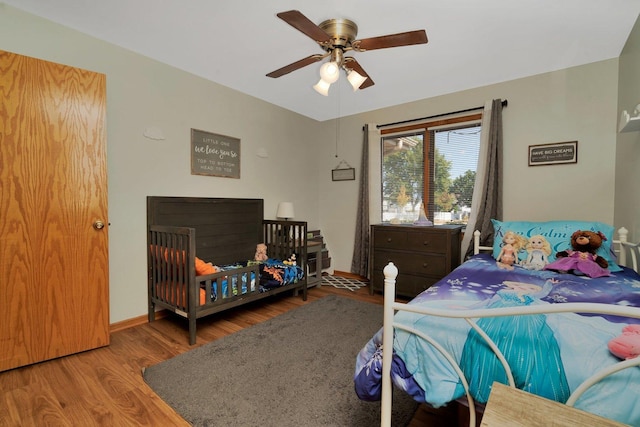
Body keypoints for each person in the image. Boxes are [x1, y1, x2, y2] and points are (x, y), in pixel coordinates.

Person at [458, 279, 570, 403]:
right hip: (497, 318)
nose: (523, 289)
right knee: (486, 337)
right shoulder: (503, 294)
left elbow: (544, 293)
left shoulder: (530, 297)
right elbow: (487, 302)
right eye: (519, 286)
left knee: (535, 342)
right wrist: (467, 308)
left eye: (531, 288)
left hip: (524, 320)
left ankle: (527, 398)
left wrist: (549, 283)